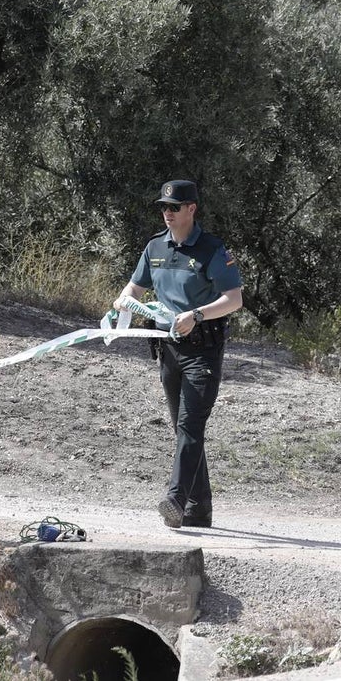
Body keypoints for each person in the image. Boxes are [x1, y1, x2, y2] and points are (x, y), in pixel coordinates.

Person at [115, 179, 243, 528]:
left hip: (203, 350)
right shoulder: (155, 247)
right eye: (163, 208)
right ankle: (199, 508)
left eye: (174, 207)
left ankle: (175, 498)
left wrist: (197, 315)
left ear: (191, 209)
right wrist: (122, 305)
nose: (167, 213)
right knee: (182, 427)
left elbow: (234, 299)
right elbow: (134, 288)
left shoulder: (212, 250)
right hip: (167, 349)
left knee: (190, 424)